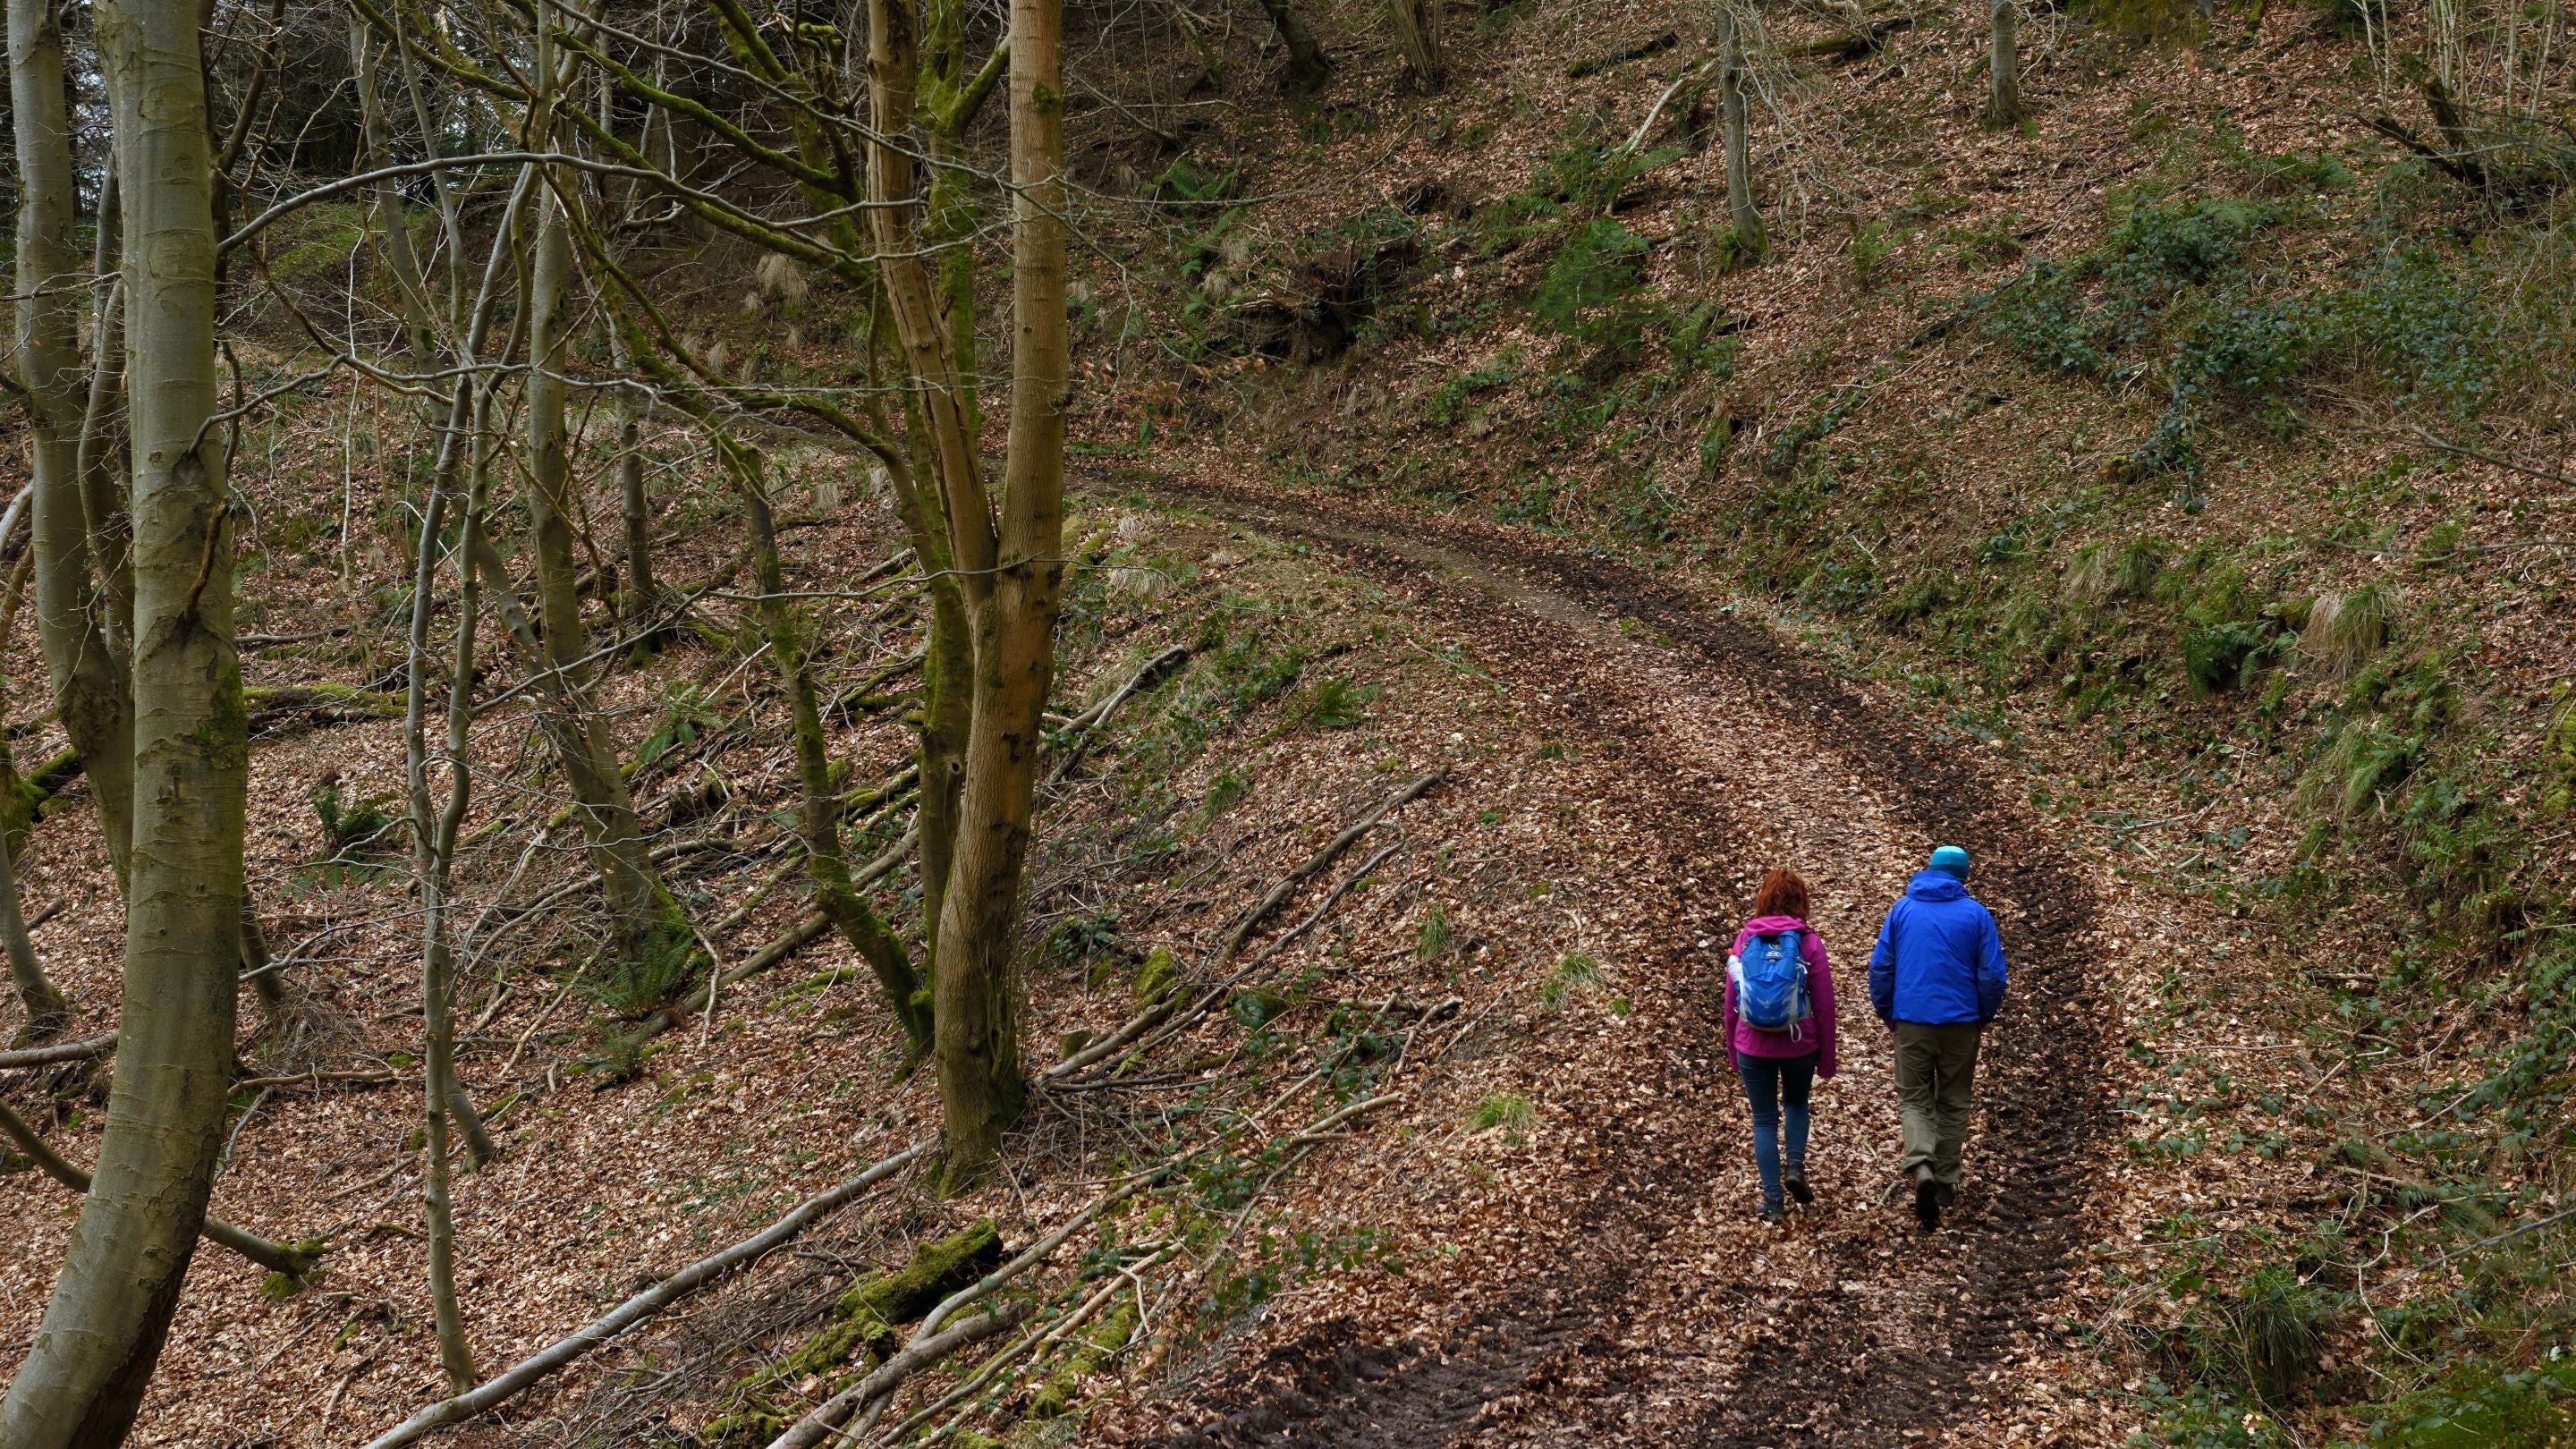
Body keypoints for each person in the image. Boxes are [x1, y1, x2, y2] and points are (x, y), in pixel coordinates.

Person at [1868, 844, 2008, 1231]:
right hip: (1961, 1022)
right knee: (1953, 1099)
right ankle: (1945, 1182)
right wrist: (1982, 1015)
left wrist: (1889, 1012)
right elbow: (1992, 975)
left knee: (1914, 1098)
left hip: (1912, 1019)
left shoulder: (1902, 910)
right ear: (1962, 876)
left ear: (1929, 869)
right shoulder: (1976, 915)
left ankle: (1921, 1165)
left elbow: (1881, 968)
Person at [1723, 868, 1837, 1223]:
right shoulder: (1808, 942)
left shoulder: (1745, 939)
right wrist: (1827, 1058)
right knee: (1796, 1103)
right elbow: (1824, 1005)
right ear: (1801, 901)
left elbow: (1731, 1002)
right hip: (1799, 1043)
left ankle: (1773, 1201)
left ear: (1763, 899)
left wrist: (1733, 1051)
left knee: (1763, 1120)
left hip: (1752, 1044)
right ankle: (1796, 1168)